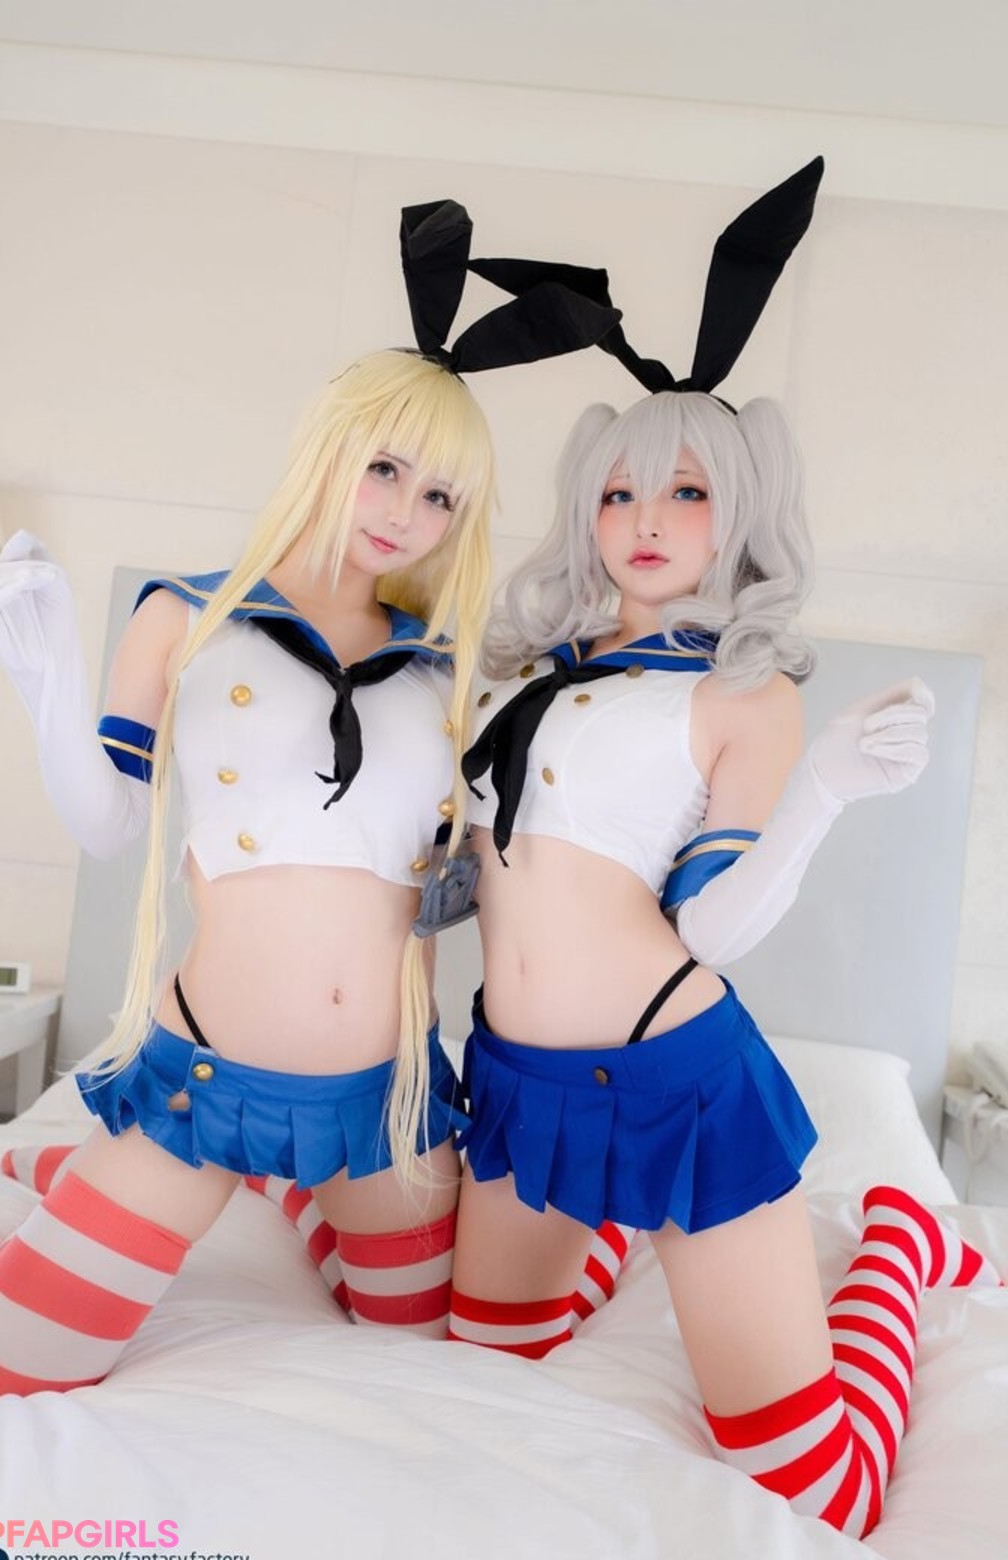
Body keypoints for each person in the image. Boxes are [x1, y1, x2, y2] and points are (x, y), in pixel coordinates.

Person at [0, 200, 622, 1402]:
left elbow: (492, 872)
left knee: (444, 1346)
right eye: (386, 468)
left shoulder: (448, 668)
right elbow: (111, 824)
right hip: (204, 1086)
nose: (404, 512)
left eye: (441, 497)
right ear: (329, 449)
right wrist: (44, 681)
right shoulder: (187, 615)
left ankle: (312, 1195)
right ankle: (252, 1180)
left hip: (389, 1109)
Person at [446, 160, 1001, 1539]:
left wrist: (821, 793)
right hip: (518, 1078)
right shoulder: (536, 670)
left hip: (677, 1081)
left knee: (816, 1485)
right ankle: (619, 1229)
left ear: (739, 512)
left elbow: (707, 931)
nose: (645, 524)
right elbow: (475, 872)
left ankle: (899, 1244)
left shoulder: (743, 690)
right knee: (494, 1358)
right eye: (620, 494)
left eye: (686, 494)